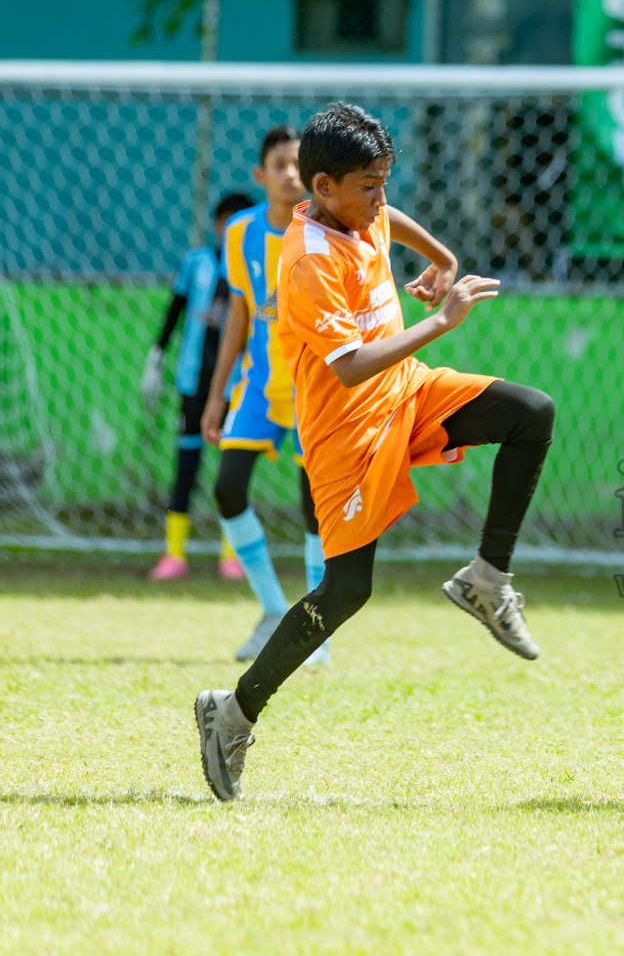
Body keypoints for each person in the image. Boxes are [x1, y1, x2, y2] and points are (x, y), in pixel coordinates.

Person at [195, 101, 555, 801]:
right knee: (347, 590)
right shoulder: (305, 263)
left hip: (408, 395)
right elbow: (352, 366)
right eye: (369, 184)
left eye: (386, 180)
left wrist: (443, 259)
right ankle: (231, 714)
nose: (382, 198)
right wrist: (444, 321)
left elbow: (394, 222)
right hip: (345, 434)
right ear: (321, 187)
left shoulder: (362, 210)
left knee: (529, 413)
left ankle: (487, 579)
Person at [200, 126, 327, 664]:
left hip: (312, 388)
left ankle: (315, 628)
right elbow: (238, 313)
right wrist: (214, 397)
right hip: (256, 387)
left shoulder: (326, 232)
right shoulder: (240, 232)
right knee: (228, 489)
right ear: (261, 175)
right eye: (279, 164)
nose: (289, 173)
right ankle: (275, 608)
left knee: (314, 509)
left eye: (298, 163)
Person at [141, 192, 254, 580]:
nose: (233, 230)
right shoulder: (197, 263)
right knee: (186, 467)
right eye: (227, 222)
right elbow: (174, 310)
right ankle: (174, 553)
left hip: (236, 386)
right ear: (217, 225)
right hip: (194, 383)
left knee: (231, 474)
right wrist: (156, 355)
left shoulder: (256, 266)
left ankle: (231, 556)